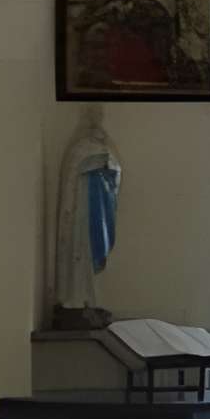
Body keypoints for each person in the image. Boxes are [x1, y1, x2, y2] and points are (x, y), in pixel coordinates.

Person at [53, 108, 121, 328]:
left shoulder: (104, 146)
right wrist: (99, 161)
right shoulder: (79, 148)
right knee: (77, 257)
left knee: (88, 257)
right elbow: (74, 171)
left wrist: (107, 164)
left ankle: (85, 302)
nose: (97, 124)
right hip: (80, 212)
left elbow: (115, 170)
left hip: (96, 210)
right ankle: (74, 303)